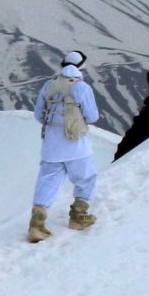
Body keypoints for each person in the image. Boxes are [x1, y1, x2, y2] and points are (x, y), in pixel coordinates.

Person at [28, 50, 100, 242]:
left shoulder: (48, 85)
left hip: (51, 144)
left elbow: (38, 115)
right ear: (82, 66)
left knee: (48, 180)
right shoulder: (82, 87)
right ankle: (79, 216)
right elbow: (92, 116)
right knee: (85, 178)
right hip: (76, 144)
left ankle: (37, 225)